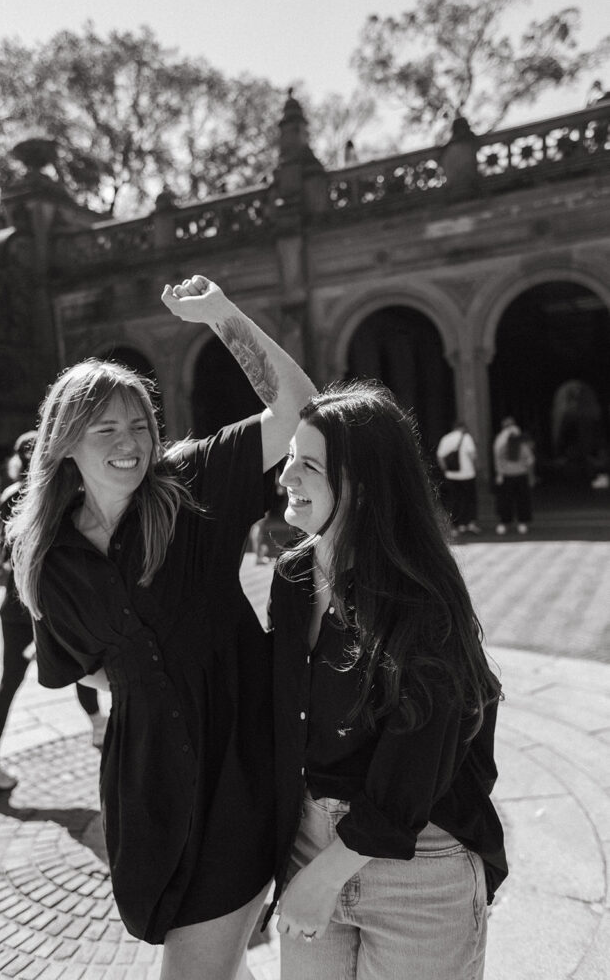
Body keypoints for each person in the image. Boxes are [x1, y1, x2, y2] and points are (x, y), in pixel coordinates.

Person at [6, 274, 315, 980]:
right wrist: (146, 679)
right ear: (64, 443)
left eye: (140, 424)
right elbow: (73, 665)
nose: (130, 443)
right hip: (145, 788)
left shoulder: (192, 484)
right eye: (105, 428)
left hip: (239, 761)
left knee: (192, 971)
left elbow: (297, 409)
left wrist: (222, 316)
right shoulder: (48, 556)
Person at [267, 380, 507, 980]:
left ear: (364, 486)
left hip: (419, 861)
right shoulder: (294, 577)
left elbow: (418, 760)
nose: (286, 477)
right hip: (309, 839)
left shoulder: (422, 599)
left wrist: (324, 878)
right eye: (291, 457)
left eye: (310, 465)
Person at [0, 430, 108, 794]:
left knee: (9, 682)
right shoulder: (61, 497)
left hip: (16, 609)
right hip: (50, 608)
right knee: (85, 666)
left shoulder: (8, 498)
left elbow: (3, 559)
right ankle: (100, 729)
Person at [436, 421, 480, 536]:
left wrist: (446, 470)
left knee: (454, 500)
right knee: (469, 500)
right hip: (467, 474)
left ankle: (456, 526)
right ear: (463, 428)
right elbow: (473, 455)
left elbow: (440, 456)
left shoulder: (446, 438)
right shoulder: (466, 438)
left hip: (451, 475)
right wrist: (476, 468)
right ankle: (469, 523)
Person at [493, 416, 536, 535]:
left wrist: (500, 474)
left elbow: (498, 459)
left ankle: (505, 523)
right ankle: (522, 523)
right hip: (520, 475)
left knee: (506, 501)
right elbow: (530, 460)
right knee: (521, 500)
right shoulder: (522, 446)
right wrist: (526, 469)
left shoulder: (502, 444)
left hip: (507, 476)